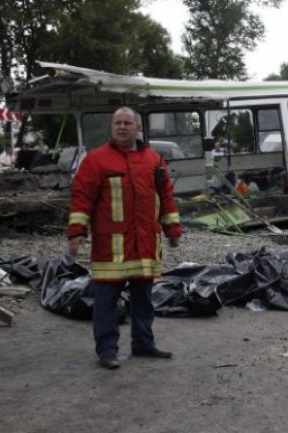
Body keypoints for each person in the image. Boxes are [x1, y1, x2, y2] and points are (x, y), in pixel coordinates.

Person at [67, 107, 182, 369]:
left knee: (144, 300)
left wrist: (173, 230)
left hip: (144, 245)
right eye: (117, 123)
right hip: (111, 247)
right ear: (112, 127)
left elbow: (166, 197)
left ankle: (144, 344)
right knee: (106, 302)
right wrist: (77, 233)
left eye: (127, 123)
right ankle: (107, 351)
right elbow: (82, 198)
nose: (122, 127)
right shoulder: (96, 160)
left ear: (137, 128)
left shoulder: (154, 160)